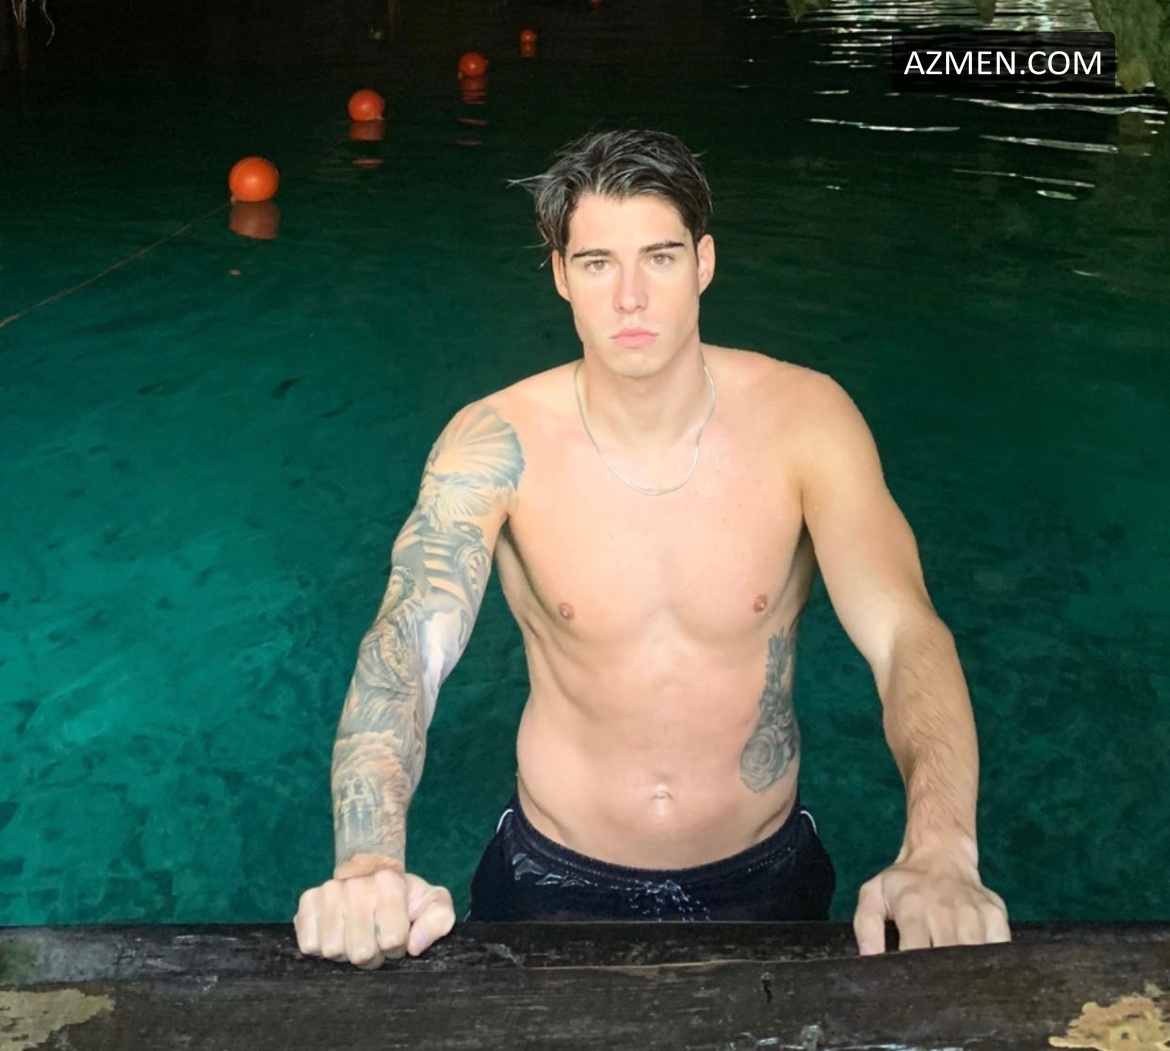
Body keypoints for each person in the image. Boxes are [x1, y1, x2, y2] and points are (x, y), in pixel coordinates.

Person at [294, 128, 1010, 968]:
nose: (630, 297)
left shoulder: (806, 421)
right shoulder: (494, 443)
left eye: (659, 258)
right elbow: (405, 650)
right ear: (561, 275)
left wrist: (941, 849)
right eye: (598, 263)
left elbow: (905, 635)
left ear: (703, 262)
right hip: (552, 873)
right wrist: (368, 862)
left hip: (763, 871)